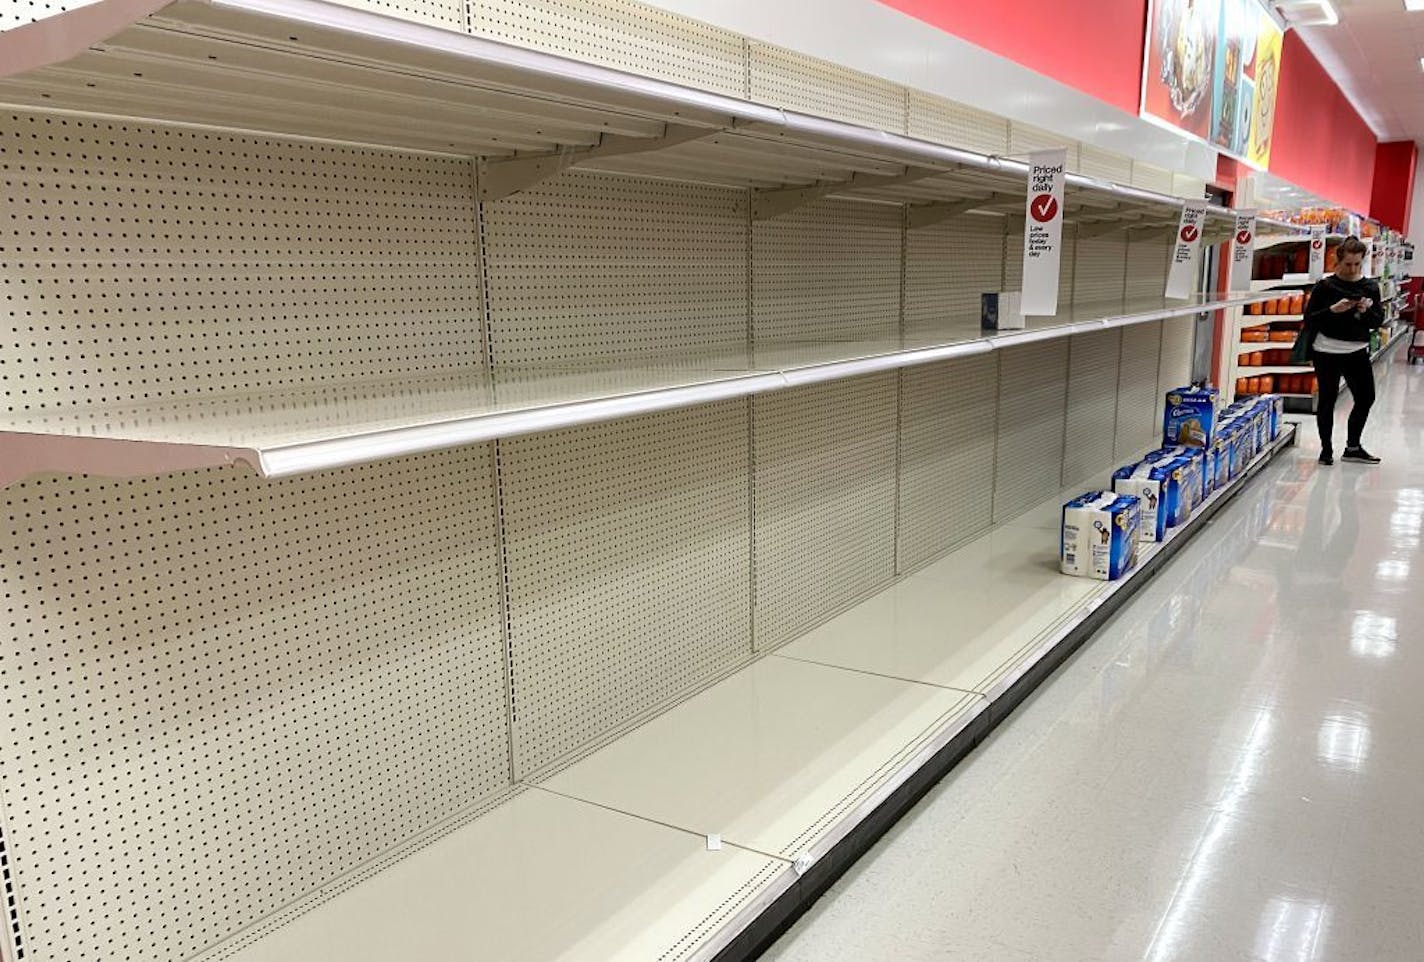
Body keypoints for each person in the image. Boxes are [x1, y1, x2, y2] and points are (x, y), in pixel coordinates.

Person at [1300, 236, 1383, 465]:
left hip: (1356, 351)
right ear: (1338, 261)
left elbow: (1377, 321)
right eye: (1348, 264)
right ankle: (1326, 450)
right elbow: (1309, 320)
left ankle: (1353, 447)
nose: (1352, 268)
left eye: (1357, 264)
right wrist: (1332, 310)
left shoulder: (1370, 287)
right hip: (1326, 351)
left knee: (1366, 398)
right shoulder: (1325, 286)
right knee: (1327, 400)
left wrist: (1366, 310)